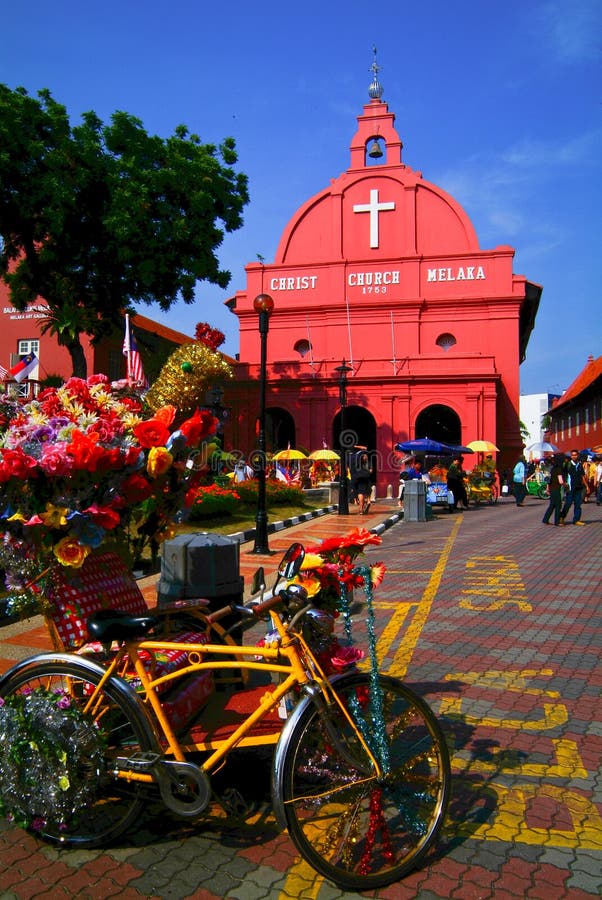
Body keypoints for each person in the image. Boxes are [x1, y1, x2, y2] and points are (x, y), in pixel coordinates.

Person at [560, 449, 586, 525]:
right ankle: (561, 518)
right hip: (570, 488)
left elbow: (582, 476)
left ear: (578, 455)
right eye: (572, 455)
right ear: (571, 456)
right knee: (568, 504)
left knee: (578, 505)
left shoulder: (580, 464)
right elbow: (562, 474)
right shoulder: (568, 464)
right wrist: (564, 483)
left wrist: (586, 486)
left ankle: (576, 520)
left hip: (579, 487)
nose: (574, 456)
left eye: (575, 455)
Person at [542, 454, 564, 526]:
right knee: (558, 505)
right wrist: (566, 485)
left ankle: (545, 519)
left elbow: (549, 480)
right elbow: (560, 481)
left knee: (552, 505)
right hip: (556, 489)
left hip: (552, 489)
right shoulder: (559, 469)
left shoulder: (553, 469)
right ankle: (557, 521)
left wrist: (548, 488)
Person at [350, 450, 372, 514]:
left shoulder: (354, 459)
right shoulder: (362, 460)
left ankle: (361, 509)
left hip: (357, 477)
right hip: (364, 477)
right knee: (363, 492)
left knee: (360, 493)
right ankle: (366, 502)